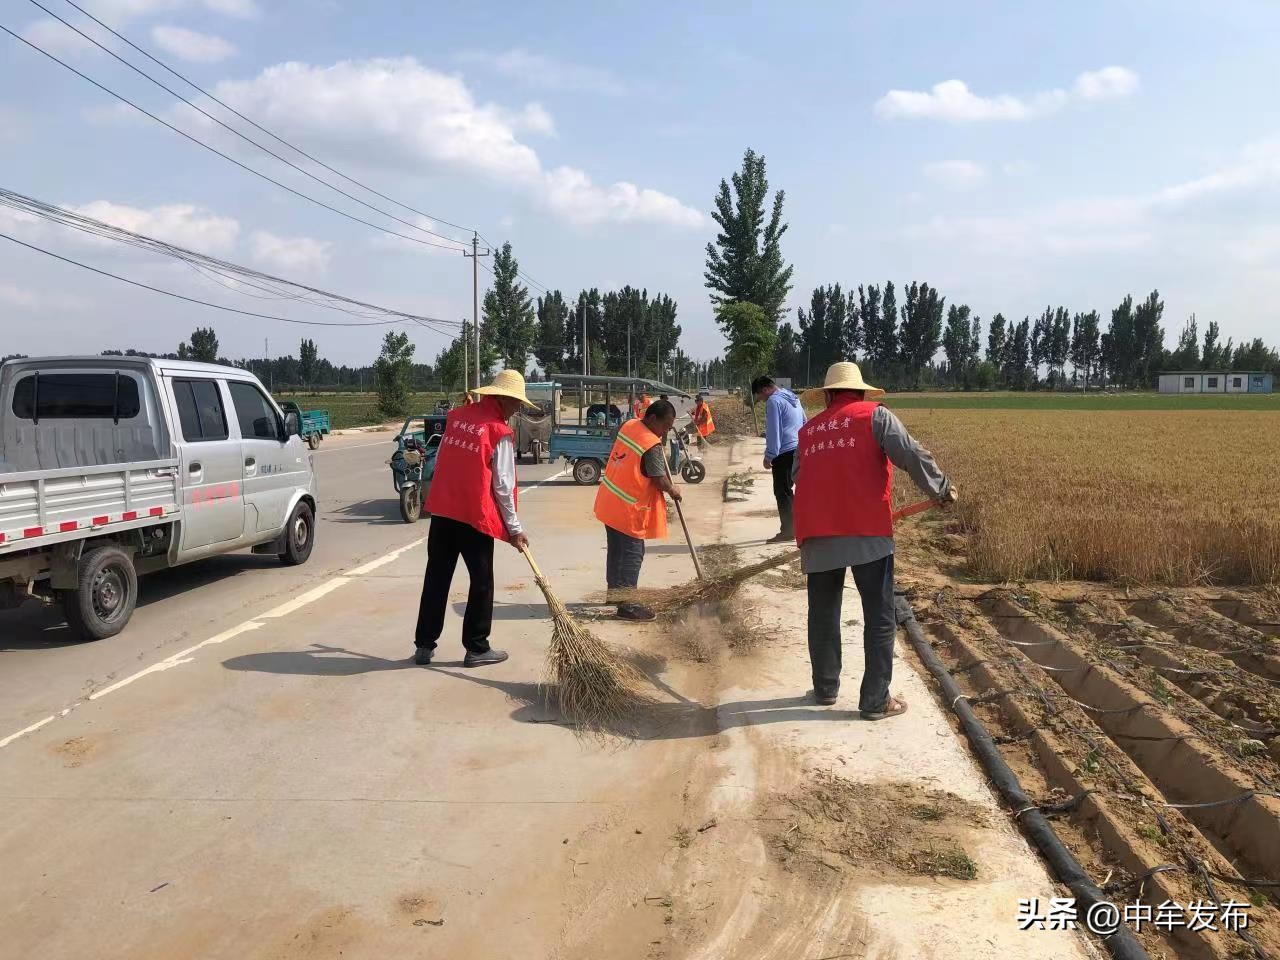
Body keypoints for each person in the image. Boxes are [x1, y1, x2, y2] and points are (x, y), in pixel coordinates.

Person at [792, 362, 957, 715]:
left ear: (827, 395)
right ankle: (874, 700)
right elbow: (910, 454)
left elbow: (798, 478)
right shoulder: (876, 417)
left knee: (822, 614)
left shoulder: (809, 432)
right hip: (867, 532)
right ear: (862, 391)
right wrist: (941, 489)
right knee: (879, 615)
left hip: (818, 534)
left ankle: (824, 689)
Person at [414, 370, 534, 667]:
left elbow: (441, 458)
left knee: (436, 578)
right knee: (482, 581)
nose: (518, 409)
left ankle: (424, 645)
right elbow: (503, 486)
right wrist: (515, 529)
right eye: (516, 403)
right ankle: (477, 647)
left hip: (442, 512)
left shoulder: (457, 418)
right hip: (472, 516)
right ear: (503, 399)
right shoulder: (498, 431)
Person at [594, 398, 682, 621]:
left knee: (616, 551)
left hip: (610, 500)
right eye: (665, 426)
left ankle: (615, 594)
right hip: (628, 507)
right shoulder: (650, 443)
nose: (665, 433)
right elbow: (659, 479)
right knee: (633, 554)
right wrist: (674, 490)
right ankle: (628, 605)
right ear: (652, 418)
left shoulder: (629, 425)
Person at [751, 375, 805, 543]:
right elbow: (804, 421)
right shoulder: (792, 397)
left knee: (782, 492)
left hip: (784, 452)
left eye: (759, 395)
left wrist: (769, 455)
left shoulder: (774, 401)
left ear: (766, 389)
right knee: (790, 491)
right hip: (797, 448)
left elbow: (774, 431)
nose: (760, 399)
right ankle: (797, 527)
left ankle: (788, 531)